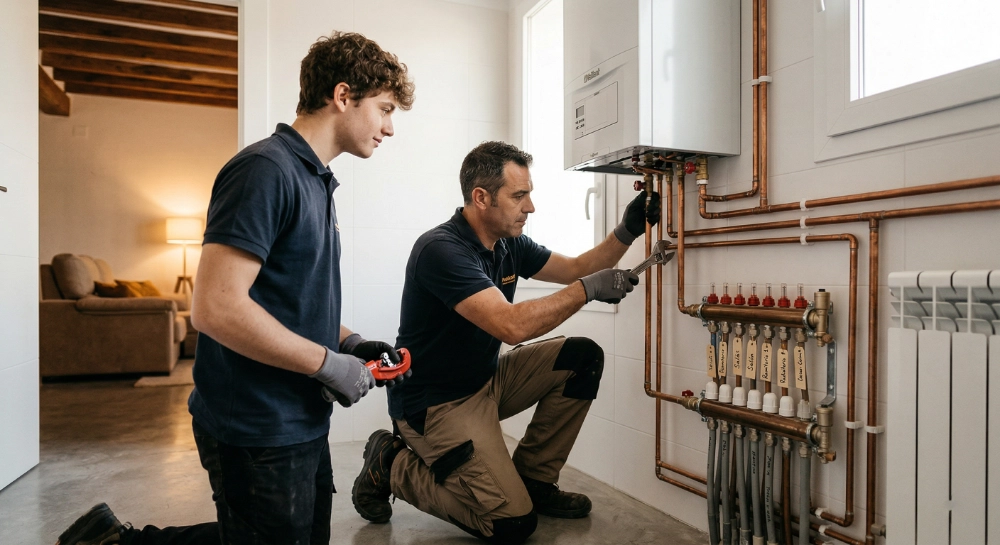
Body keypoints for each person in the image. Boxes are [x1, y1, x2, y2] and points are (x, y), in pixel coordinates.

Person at [56, 31, 415, 545]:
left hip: (300, 412)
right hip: (256, 421)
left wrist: (349, 343)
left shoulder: (314, 179)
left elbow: (286, 296)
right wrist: (327, 364)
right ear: (342, 96)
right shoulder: (265, 171)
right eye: (384, 109)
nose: (389, 128)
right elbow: (216, 308)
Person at [351, 141, 662, 544]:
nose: (529, 206)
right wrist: (589, 289)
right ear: (481, 198)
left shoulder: (509, 243)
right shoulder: (441, 250)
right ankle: (391, 464)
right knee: (511, 525)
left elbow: (578, 269)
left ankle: (534, 481)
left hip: (486, 382)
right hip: (435, 405)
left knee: (581, 357)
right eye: (519, 195)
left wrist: (628, 229)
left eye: (528, 194)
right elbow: (511, 326)